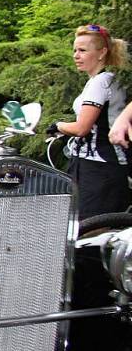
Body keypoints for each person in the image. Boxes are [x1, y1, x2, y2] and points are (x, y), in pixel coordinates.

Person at [48, 24, 129, 219]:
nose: (76, 55)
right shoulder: (106, 80)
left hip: (99, 168)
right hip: (94, 165)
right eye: (75, 50)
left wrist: (58, 126)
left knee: (90, 229)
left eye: (83, 50)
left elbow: (82, 128)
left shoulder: (101, 82)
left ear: (102, 53)